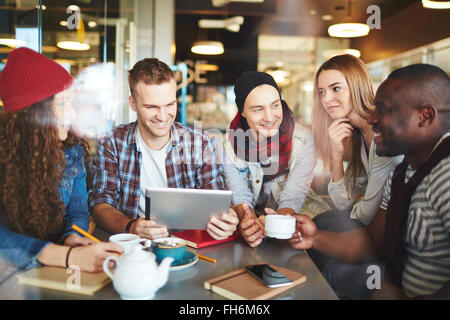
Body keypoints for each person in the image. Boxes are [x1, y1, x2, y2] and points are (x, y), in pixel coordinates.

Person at [289, 63, 450, 299]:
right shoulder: (403, 173)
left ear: (425, 117)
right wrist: (314, 238)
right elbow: (373, 240)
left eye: (385, 111)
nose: (371, 118)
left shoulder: (445, 175)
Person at [0, 47, 122, 273]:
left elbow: (77, 211)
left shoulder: (71, 150)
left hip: (48, 272)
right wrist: (66, 256)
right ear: (35, 115)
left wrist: (72, 237)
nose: (73, 115)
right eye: (63, 104)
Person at [89, 58, 239, 240]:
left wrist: (226, 220)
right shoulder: (112, 142)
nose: (162, 116)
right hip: (134, 246)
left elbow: (217, 201)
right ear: (133, 104)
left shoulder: (200, 144)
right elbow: (101, 205)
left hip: (187, 245)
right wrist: (132, 227)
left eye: (170, 105)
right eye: (151, 107)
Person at [309, 54, 403, 271]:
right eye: (321, 92)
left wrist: (355, 205)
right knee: (322, 223)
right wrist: (335, 153)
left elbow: (365, 214)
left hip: (393, 243)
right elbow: (344, 203)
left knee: (323, 232)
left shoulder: (382, 135)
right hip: (373, 234)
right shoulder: (359, 134)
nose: (326, 100)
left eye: (336, 88)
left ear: (357, 85)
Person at [219, 71, 330, 248]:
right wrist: (249, 222)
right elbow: (240, 193)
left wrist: (277, 222)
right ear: (242, 112)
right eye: (258, 109)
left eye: (275, 105)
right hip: (254, 222)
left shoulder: (304, 140)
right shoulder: (226, 145)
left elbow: (293, 196)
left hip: (298, 223)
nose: (270, 117)